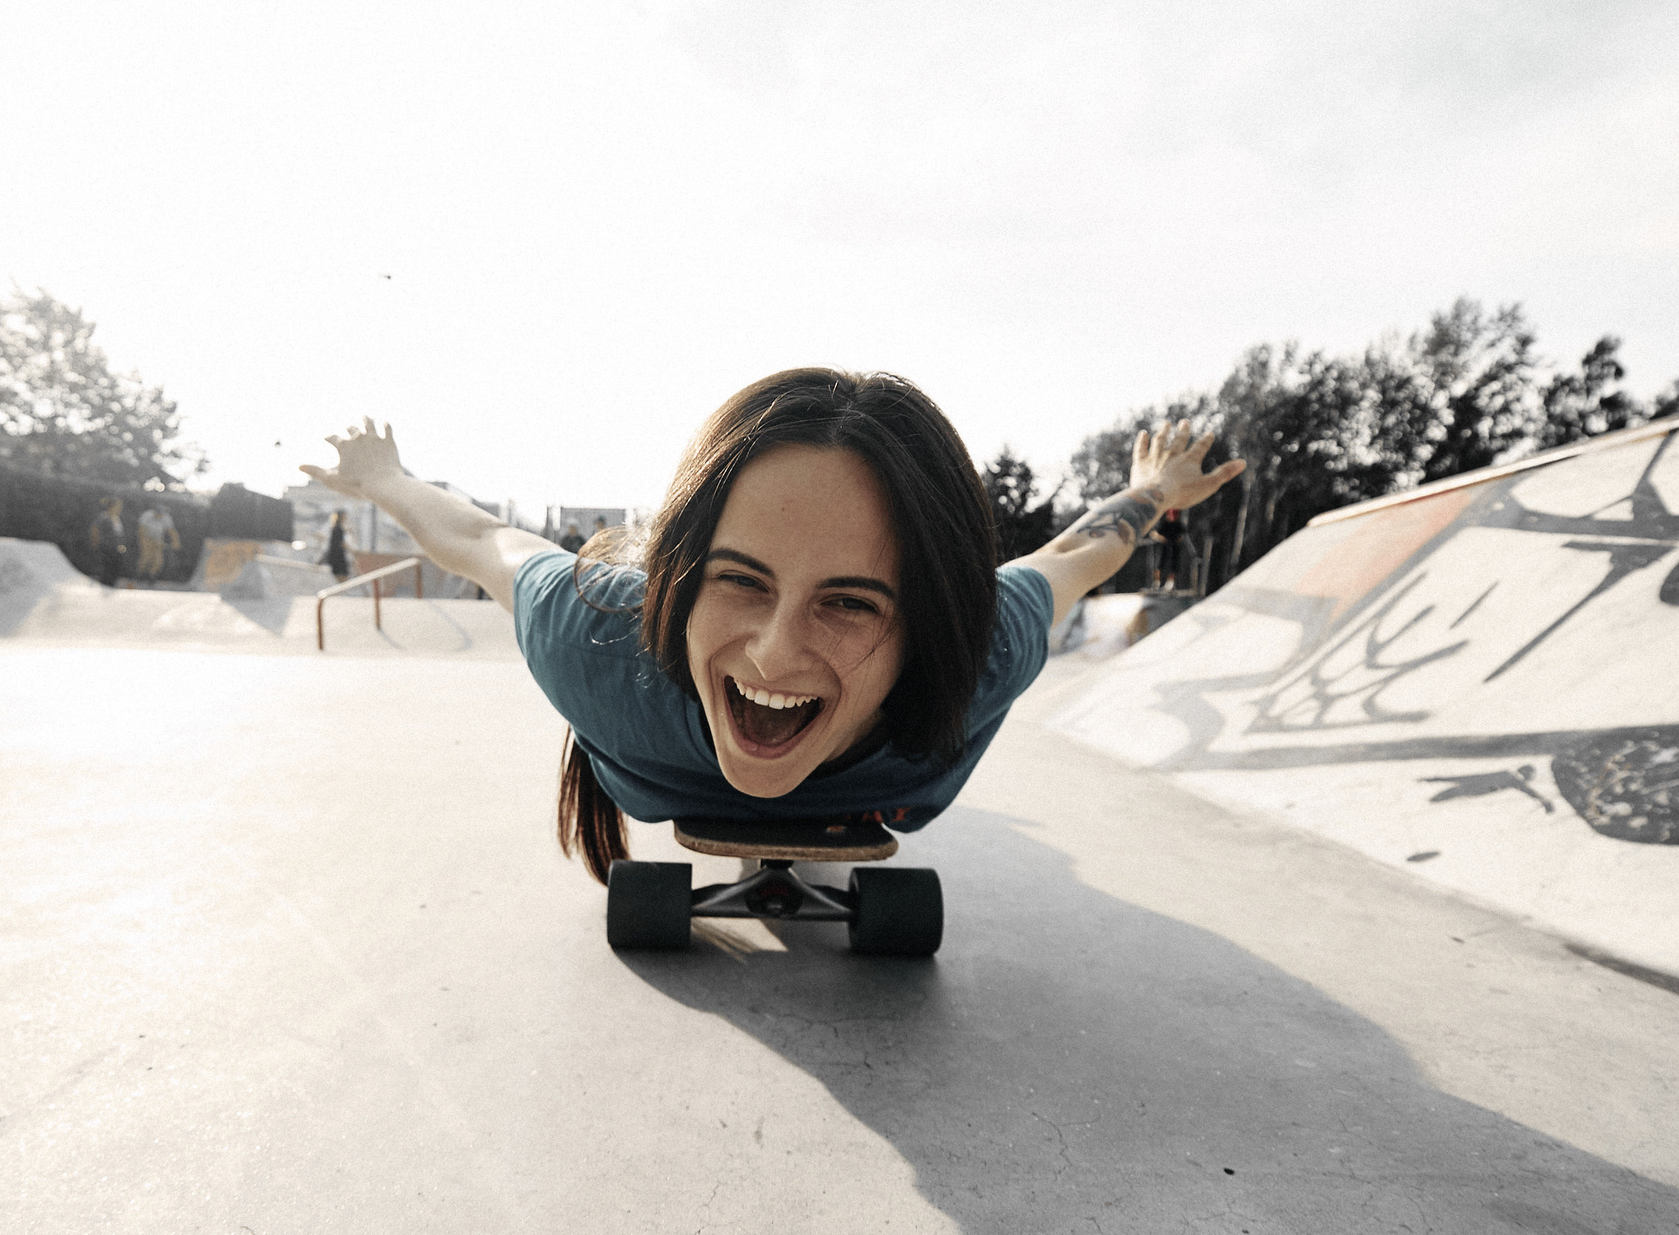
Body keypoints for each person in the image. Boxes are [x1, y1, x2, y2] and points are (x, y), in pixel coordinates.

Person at [300, 370, 1241, 879]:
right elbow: (484, 543)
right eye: (740, 583)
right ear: (681, 581)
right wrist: (381, 475)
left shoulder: (976, 652)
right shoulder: (598, 640)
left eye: (850, 601)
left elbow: (1071, 560)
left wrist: (1156, 491)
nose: (776, 653)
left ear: (927, 629)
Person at [88, 497, 128, 588]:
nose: (120, 508)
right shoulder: (104, 517)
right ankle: (105, 585)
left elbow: (119, 534)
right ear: (112, 506)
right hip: (106, 546)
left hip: (116, 547)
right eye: (118, 506)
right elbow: (95, 529)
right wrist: (96, 543)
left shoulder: (117, 518)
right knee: (107, 568)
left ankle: (111, 585)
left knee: (115, 568)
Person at [135, 505, 181, 582]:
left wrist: (176, 541)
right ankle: (139, 575)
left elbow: (172, 531)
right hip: (145, 537)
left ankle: (151, 576)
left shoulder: (166, 518)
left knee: (158, 559)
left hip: (158, 539)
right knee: (146, 556)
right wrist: (147, 543)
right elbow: (141, 530)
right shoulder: (147, 515)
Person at [321, 510, 352, 584]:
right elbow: (339, 543)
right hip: (338, 556)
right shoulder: (338, 529)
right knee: (342, 577)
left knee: (340, 578)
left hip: (336, 556)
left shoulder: (336, 528)